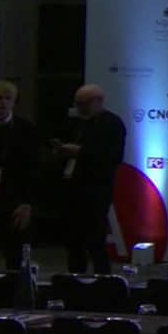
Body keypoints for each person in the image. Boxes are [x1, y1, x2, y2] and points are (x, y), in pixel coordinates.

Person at [59, 84, 125, 275]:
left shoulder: (112, 124)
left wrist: (81, 152)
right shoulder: (74, 122)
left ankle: (103, 281)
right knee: (73, 241)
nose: (79, 107)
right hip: (71, 188)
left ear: (97, 102)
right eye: (77, 103)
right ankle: (74, 278)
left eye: (84, 103)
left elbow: (113, 157)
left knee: (95, 240)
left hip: (96, 190)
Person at [0, 81, 39, 271]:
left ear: (14, 103)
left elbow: (33, 170)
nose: (3, 103)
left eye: (8, 99)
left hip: (15, 202)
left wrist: (27, 203)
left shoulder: (26, 130)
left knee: (16, 259)